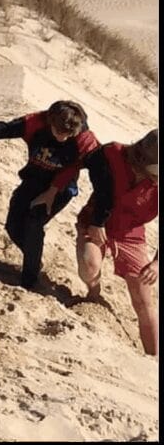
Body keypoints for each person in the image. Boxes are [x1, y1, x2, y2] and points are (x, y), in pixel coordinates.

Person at [0, 100, 100, 289]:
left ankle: (30, 280)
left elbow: (101, 169)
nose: (62, 138)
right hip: (33, 180)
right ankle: (33, 260)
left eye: (67, 135)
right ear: (50, 122)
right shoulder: (36, 122)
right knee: (13, 226)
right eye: (59, 132)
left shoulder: (85, 140)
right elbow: (5, 129)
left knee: (34, 222)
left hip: (61, 188)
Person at [74, 129, 158, 355]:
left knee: (143, 298)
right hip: (94, 221)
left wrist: (157, 263)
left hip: (131, 234)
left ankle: (153, 357)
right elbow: (75, 162)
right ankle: (94, 292)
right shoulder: (113, 153)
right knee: (89, 265)